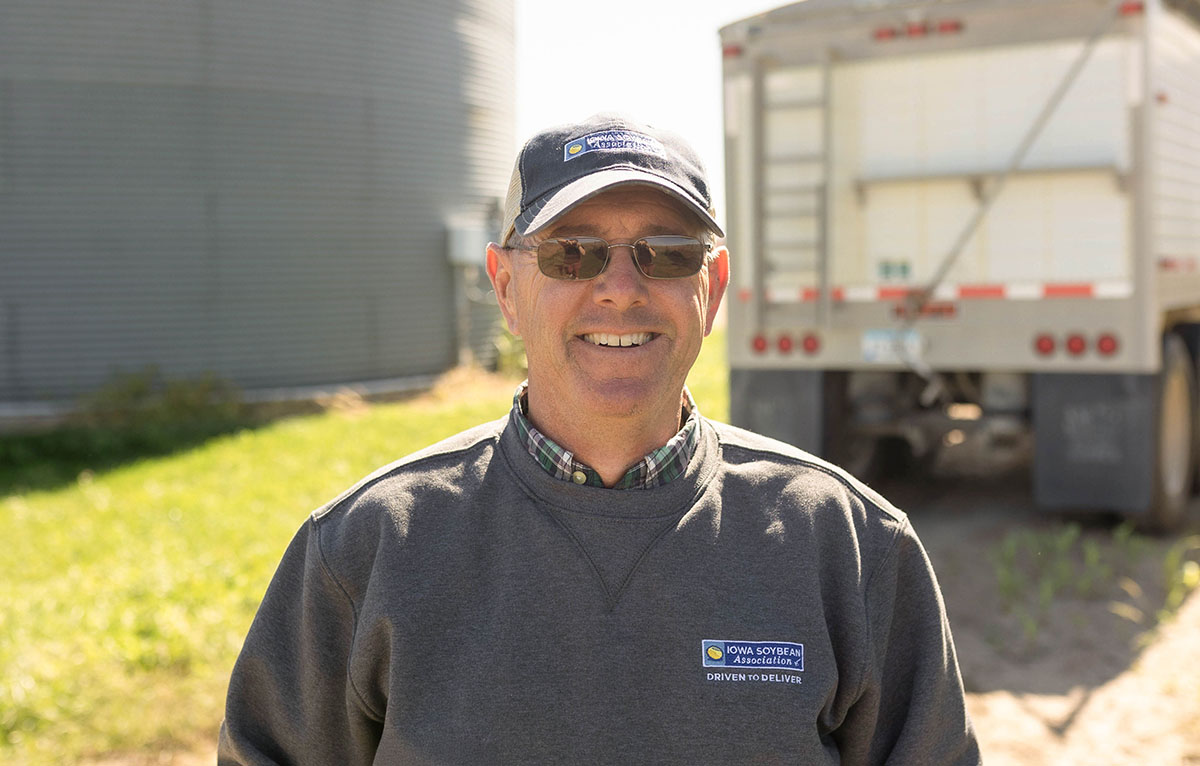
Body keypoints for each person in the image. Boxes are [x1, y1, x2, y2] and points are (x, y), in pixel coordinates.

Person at [219, 113, 981, 765]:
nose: (620, 287)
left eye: (667, 252)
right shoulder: (365, 549)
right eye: (571, 253)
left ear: (711, 290)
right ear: (507, 287)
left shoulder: (851, 547)